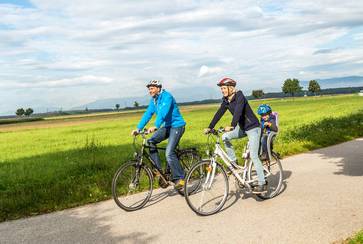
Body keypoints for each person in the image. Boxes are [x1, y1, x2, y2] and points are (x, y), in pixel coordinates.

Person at [204, 78, 266, 193]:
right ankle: (233, 161)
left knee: (253, 155)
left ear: (231, 87)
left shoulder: (240, 96)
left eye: (223, 88)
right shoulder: (226, 101)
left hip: (253, 128)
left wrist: (232, 125)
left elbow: (238, 111)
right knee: (225, 137)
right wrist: (210, 127)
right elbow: (219, 113)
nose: (222, 90)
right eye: (221, 88)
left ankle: (262, 183)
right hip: (242, 128)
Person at [131, 80, 186, 190]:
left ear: (158, 88)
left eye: (151, 88)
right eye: (149, 89)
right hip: (167, 127)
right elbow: (148, 114)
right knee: (150, 142)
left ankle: (180, 178)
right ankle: (159, 171)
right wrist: (138, 128)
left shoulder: (167, 97)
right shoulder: (154, 101)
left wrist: (156, 125)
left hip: (177, 126)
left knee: (169, 153)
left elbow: (163, 113)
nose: (150, 91)